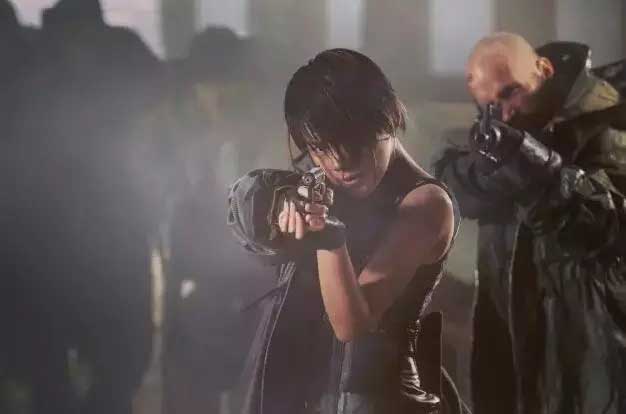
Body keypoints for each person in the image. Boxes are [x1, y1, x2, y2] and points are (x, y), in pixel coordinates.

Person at [228, 49, 465, 414]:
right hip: (307, 398)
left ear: (385, 119)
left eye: (353, 143)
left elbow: (352, 324)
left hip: (382, 402)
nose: (339, 162)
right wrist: (277, 203)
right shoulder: (321, 183)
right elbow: (243, 215)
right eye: (321, 148)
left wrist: (327, 236)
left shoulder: (426, 204)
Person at [434, 32, 626, 414]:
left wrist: (536, 172)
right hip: (521, 361)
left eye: (511, 93)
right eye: (491, 104)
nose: (506, 113)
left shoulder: (611, 126)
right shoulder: (511, 130)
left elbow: (608, 229)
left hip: (595, 356)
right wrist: (496, 164)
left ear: (544, 69)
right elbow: (450, 183)